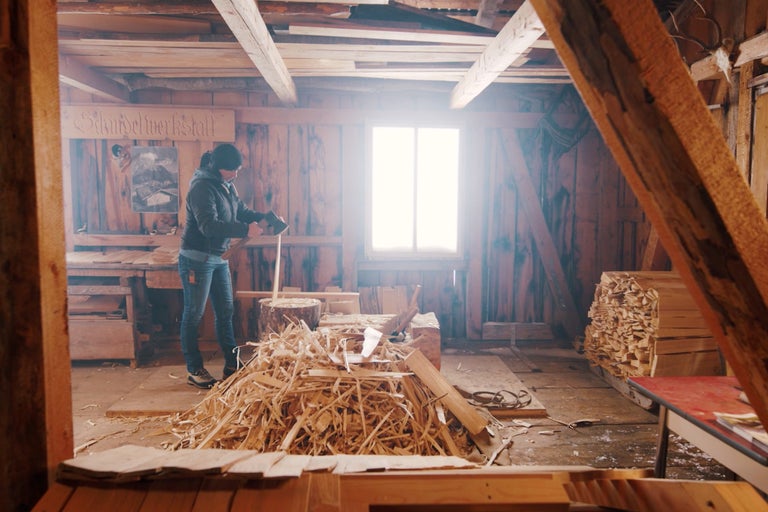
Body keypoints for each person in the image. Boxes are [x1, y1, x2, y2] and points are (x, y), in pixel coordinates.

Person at [178, 143, 268, 389]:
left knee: (225, 311)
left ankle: (232, 364)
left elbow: (240, 210)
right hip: (196, 258)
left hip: (218, 258)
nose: (236, 174)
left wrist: (262, 217)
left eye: (238, 169)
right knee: (194, 314)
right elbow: (209, 226)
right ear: (218, 167)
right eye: (232, 170)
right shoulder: (201, 188)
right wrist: (244, 229)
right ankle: (194, 369)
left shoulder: (225, 184)